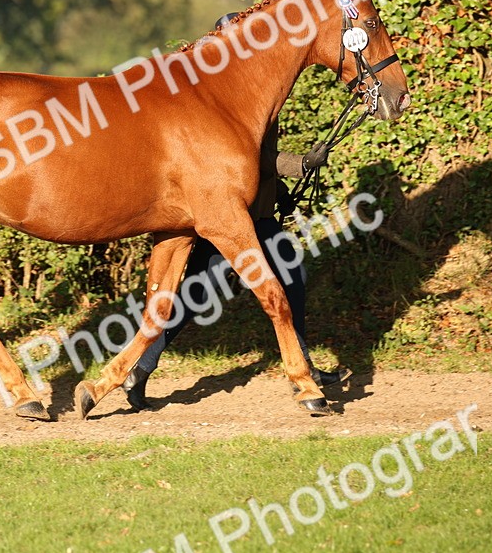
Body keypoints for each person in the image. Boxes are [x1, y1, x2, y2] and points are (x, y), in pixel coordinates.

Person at [122, 134, 351, 411]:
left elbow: (254, 156)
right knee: (197, 295)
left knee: (292, 279)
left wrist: (279, 192)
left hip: (256, 218)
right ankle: (139, 369)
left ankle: (303, 368)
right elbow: (249, 152)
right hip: (228, 219)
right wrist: (300, 164)